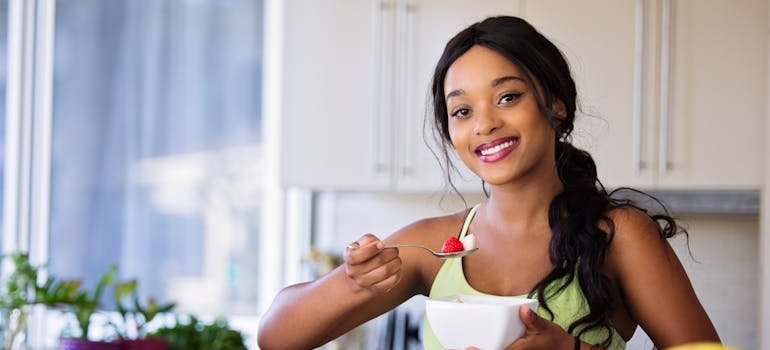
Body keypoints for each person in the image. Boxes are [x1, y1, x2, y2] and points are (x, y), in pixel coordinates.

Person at [257, 15, 720, 350]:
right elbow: (276, 336)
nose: (485, 123)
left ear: (554, 104)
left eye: (508, 96)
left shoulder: (618, 235)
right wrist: (354, 283)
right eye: (462, 110)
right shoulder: (435, 247)